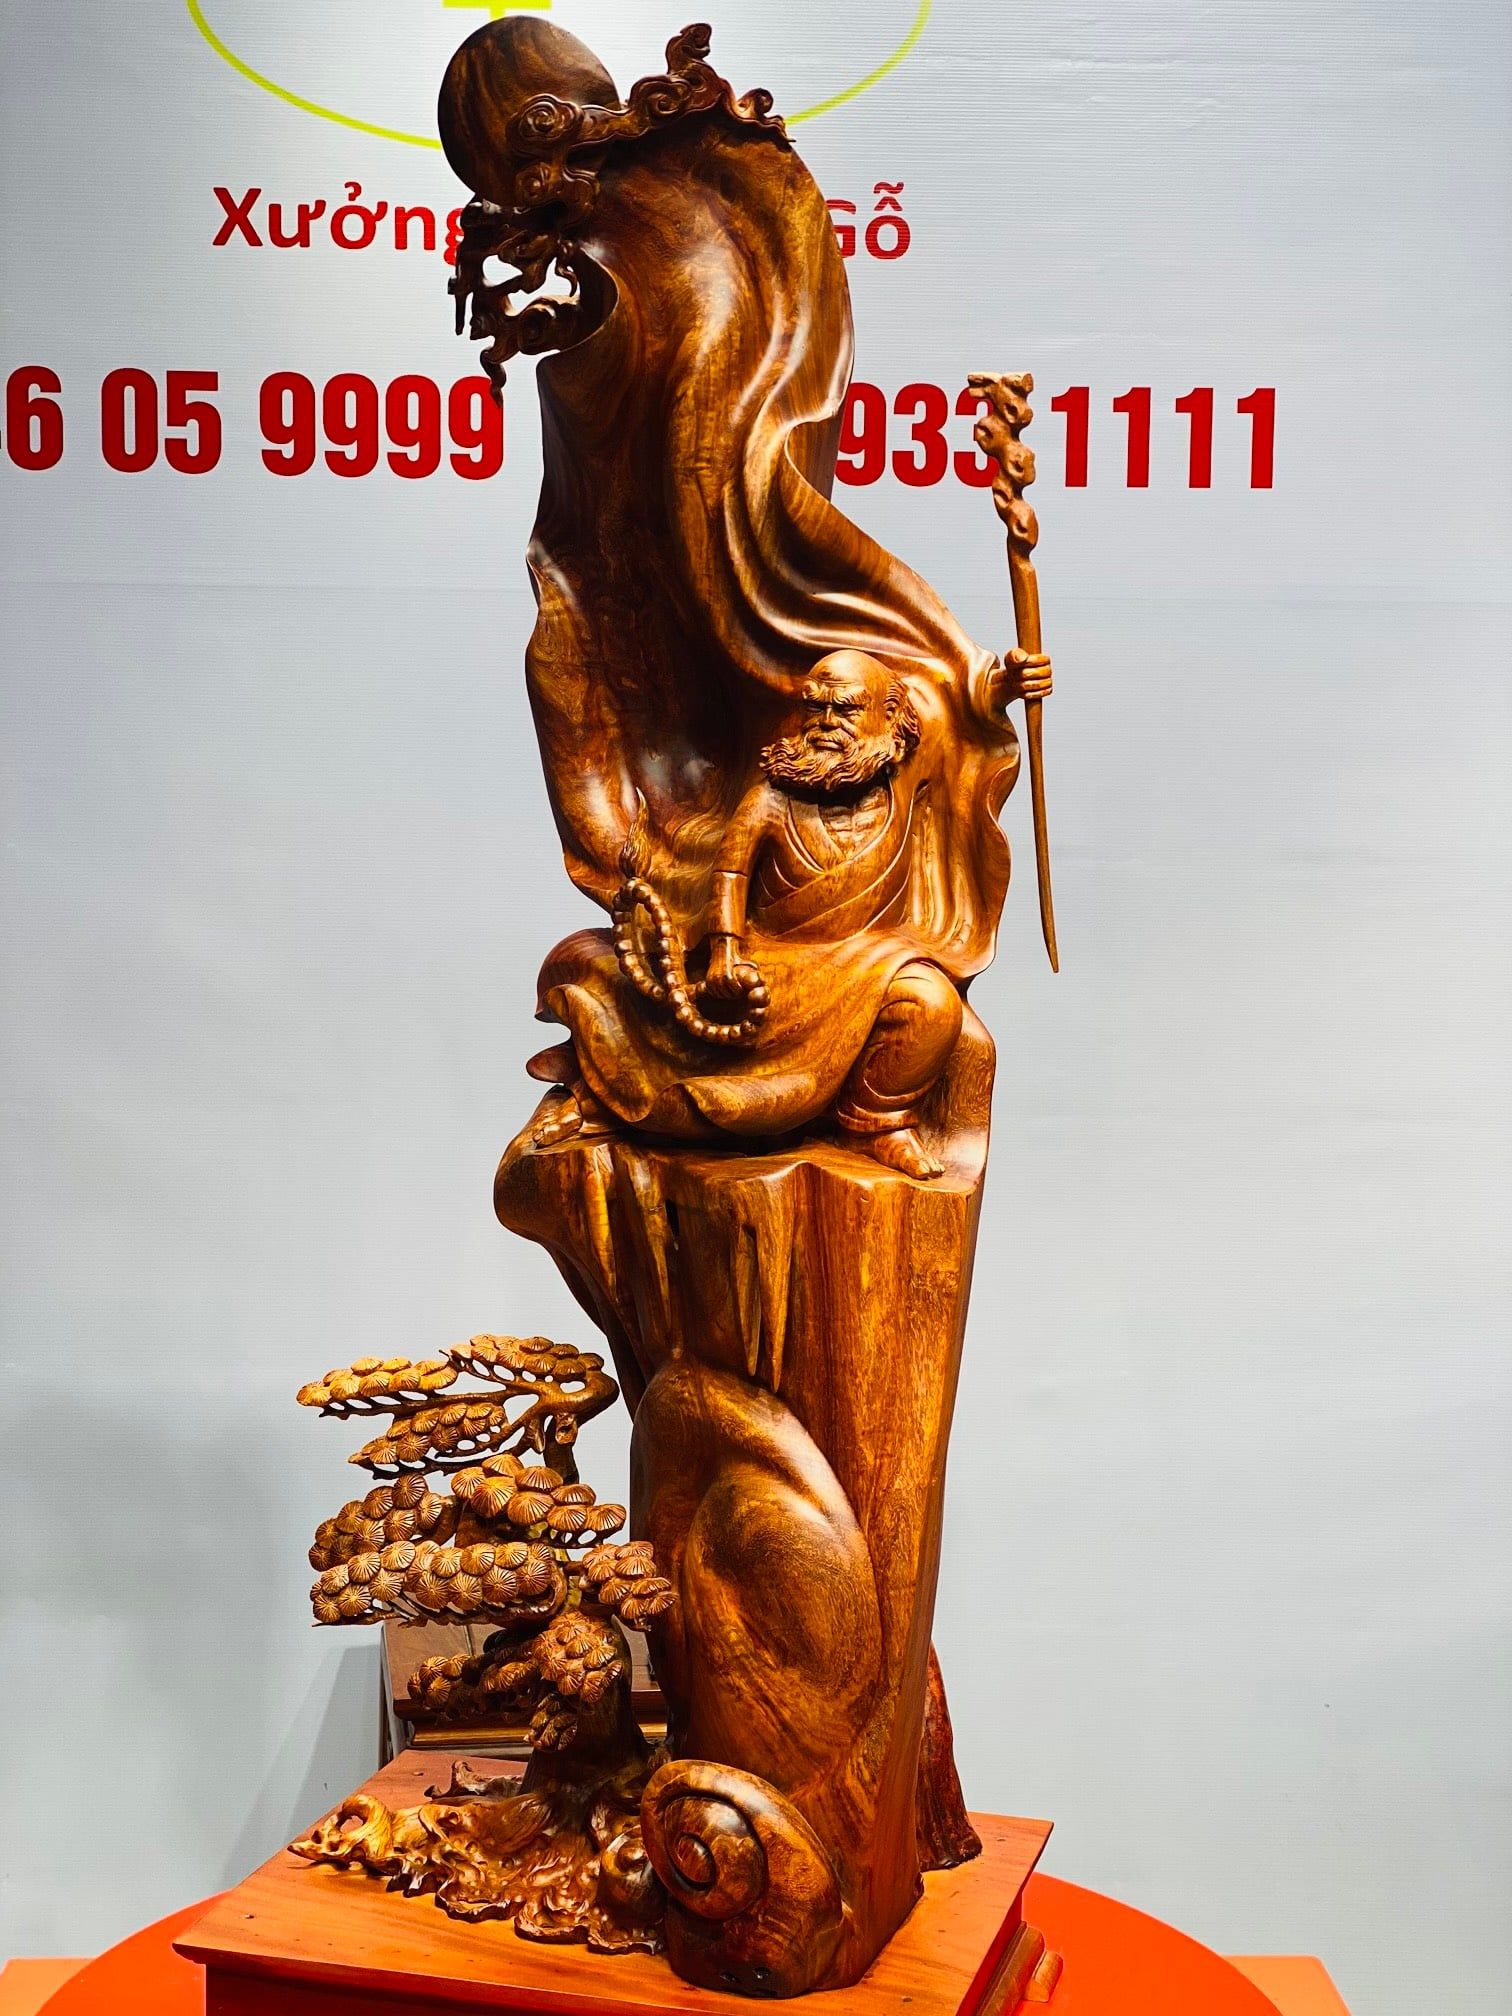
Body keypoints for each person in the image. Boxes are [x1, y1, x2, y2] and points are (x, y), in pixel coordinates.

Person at [532, 645, 1050, 1180]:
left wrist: (1003, 687)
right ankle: (614, 1093)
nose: (826, 723)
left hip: (870, 961)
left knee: (931, 1005)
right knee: (692, 1037)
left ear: (888, 717)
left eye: (845, 709)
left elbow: (954, 717)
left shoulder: (905, 779)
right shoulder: (773, 796)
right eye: (815, 707)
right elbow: (730, 874)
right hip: (780, 964)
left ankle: (875, 1122)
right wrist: (726, 950)